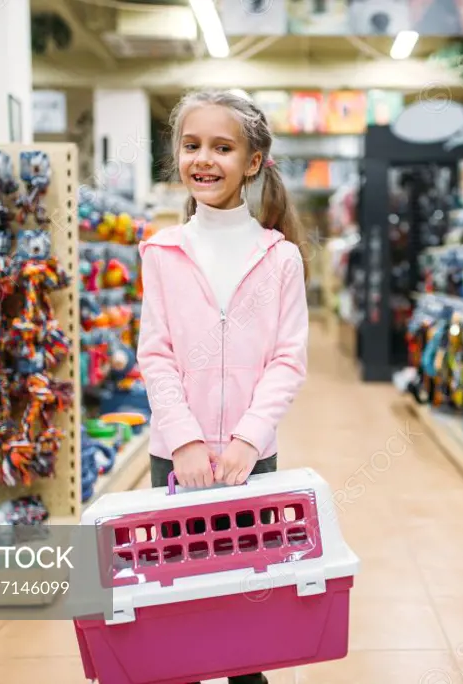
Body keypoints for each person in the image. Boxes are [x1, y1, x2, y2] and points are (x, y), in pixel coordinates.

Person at [136, 89, 310, 684]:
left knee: (246, 620)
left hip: (250, 460)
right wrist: (183, 440)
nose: (203, 159)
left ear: (253, 161)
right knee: (178, 605)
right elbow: (154, 355)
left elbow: (288, 360)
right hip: (174, 458)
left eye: (222, 147)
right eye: (191, 146)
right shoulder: (160, 250)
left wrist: (247, 440)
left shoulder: (279, 257)